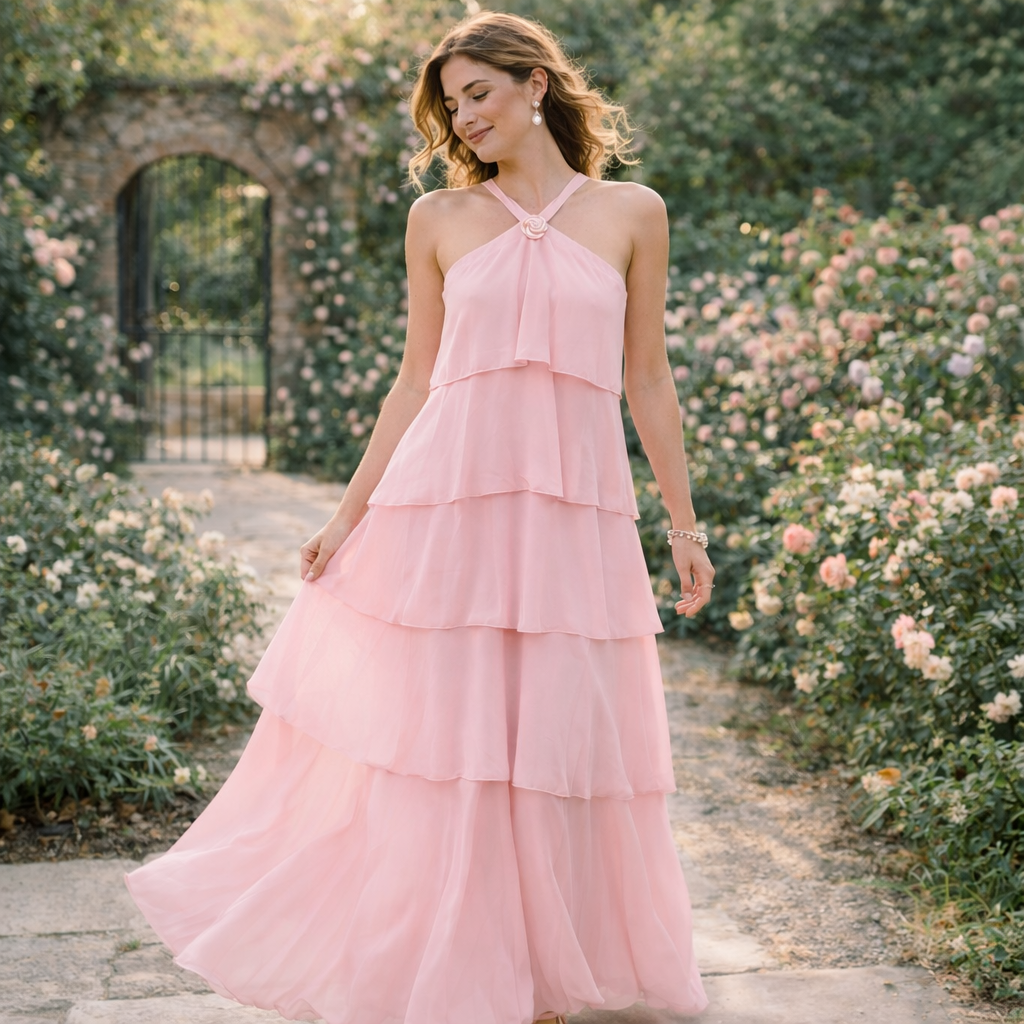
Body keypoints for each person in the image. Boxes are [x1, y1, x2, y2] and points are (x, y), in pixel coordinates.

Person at [124, 10, 713, 1023]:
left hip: (575, 514)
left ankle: (544, 967)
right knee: (454, 737)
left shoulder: (632, 212)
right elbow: (413, 381)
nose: (464, 117)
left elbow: (648, 379)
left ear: (535, 85)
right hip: (448, 506)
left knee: (562, 734)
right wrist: (348, 515)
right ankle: (463, 962)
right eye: (451, 105)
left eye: (478, 93)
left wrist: (683, 523)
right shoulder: (437, 221)